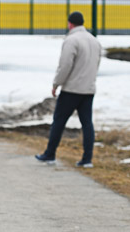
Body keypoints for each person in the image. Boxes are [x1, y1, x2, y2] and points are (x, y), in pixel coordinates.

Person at [36, 11, 102, 168]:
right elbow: (96, 64)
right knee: (87, 123)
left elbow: (65, 65)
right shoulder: (94, 41)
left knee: (59, 121)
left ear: (70, 24)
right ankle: (87, 159)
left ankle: (50, 154)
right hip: (88, 89)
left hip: (72, 89)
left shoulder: (71, 40)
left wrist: (56, 84)